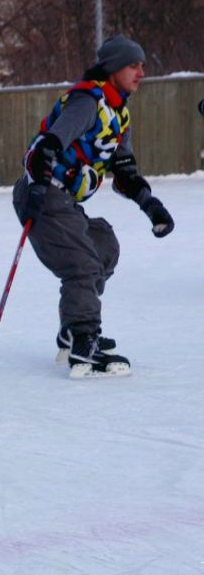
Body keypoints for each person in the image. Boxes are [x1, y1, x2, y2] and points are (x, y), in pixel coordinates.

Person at [12, 35, 174, 379]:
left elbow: (125, 172)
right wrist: (38, 190)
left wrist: (151, 206)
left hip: (65, 200)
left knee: (103, 245)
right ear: (114, 67)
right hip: (43, 194)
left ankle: (72, 330)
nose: (141, 72)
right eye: (134, 65)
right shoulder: (87, 102)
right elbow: (44, 148)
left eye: (142, 65)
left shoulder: (119, 115)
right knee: (82, 262)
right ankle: (84, 340)